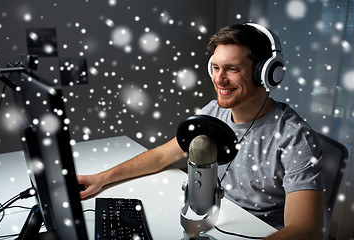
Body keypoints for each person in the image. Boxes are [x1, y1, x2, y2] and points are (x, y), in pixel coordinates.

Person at [77, 23, 324, 240]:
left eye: (232, 69)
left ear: (266, 73)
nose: (219, 79)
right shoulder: (214, 111)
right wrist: (101, 178)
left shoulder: (294, 138)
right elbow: (162, 156)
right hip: (213, 218)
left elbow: (305, 229)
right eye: (215, 67)